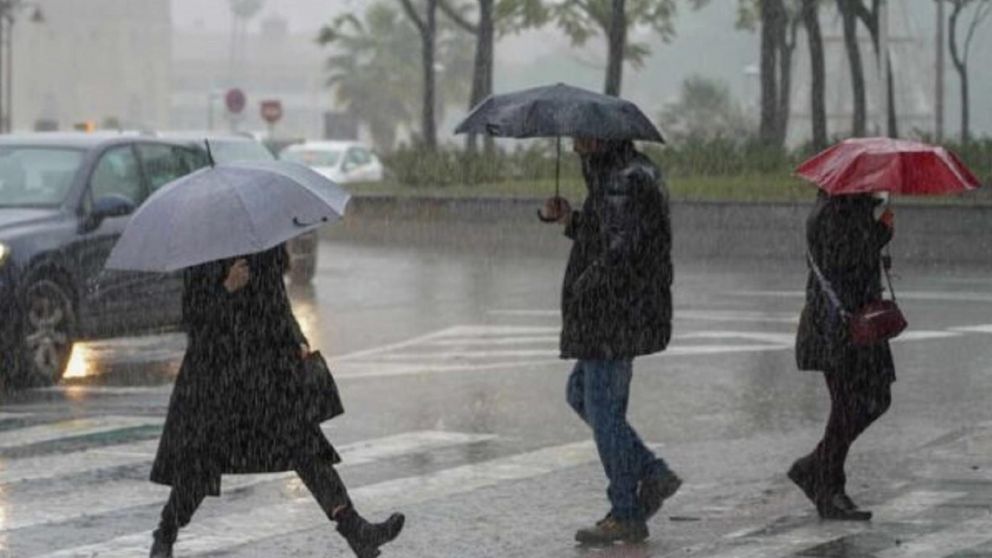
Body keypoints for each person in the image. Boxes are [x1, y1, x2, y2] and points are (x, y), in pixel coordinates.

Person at [148, 245, 404, 558]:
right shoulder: (205, 249)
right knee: (200, 463)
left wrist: (297, 338)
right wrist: (227, 288)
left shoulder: (262, 246)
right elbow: (194, 322)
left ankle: (355, 530)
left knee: (305, 448)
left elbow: (278, 303)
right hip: (217, 381)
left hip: (267, 376)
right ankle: (165, 536)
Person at [539, 137, 682, 544]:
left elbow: (620, 251)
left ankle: (625, 512)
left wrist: (585, 285)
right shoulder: (620, 175)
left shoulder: (622, 181)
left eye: (579, 136)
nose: (572, 146)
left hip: (612, 314)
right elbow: (608, 234)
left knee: (603, 410)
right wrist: (570, 219)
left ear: (599, 137)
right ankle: (651, 471)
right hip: (617, 312)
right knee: (581, 394)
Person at [791, 190, 896, 521]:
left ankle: (817, 469)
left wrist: (876, 233)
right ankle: (828, 485)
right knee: (851, 404)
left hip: (856, 321)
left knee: (872, 399)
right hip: (838, 324)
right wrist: (880, 233)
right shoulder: (834, 211)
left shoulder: (848, 207)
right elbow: (844, 260)